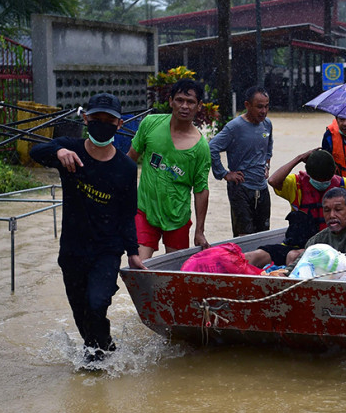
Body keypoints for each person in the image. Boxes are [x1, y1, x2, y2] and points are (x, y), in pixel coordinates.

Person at [30, 93, 145, 362]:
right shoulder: (70, 150)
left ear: (119, 124)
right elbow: (36, 151)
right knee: (81, 311)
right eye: (96, 119)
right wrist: (57, 151)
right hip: (72, 249)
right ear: (85, 119)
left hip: (106, 250)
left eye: (109, 120)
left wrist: (133, 252)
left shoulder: (126, 167)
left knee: (96, 304)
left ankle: (96, 357)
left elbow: (127, 213)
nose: (102, 124)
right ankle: (102, 349)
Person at [128, 78, 211, 259]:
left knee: (174, 274)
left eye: (190, 102)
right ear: (171, 101)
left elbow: (201, 190)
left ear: (199, 106)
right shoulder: (150, 124)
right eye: (180, 100)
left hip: (177, 217)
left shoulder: (201, 148)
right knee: (138, 266)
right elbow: (130, 160)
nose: (184, 106)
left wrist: (199, 231)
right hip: (144, 210)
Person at [246, 148, 346, 267]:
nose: (322, 184)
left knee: (293, 256)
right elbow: (273, 180)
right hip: (293, 244)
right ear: (308, 173)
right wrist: (299, 158)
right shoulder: (296, 184)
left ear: (335, 172)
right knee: (254, 256)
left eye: (326, 181)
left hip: (328, 249)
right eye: (317, 180)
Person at [208, 85, 273, 237]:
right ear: (247, 105)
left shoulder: (267, 124)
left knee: (263, 234)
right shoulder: (234, 127)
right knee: (243, 236)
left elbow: (269, 146)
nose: (263, 111)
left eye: (266, 106)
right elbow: (212, 148)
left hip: (261, 186)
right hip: (240, 187)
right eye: (259, 107)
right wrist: (224, 174)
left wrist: (267, 165)